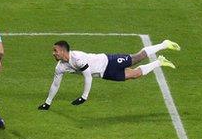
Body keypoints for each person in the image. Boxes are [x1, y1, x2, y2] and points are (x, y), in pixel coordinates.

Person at [37, 39, 180, 110]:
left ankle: (164, 44)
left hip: (109, 61)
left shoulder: (77, 59)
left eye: (55, 50)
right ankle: (160, 62)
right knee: (135, 74)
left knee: (137, 57)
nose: (53, 53)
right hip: (105, 74)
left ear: (63, 51)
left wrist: (84, 97)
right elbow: (55, 84)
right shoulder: (60, 67)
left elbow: (87, 76)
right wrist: (47, 103)